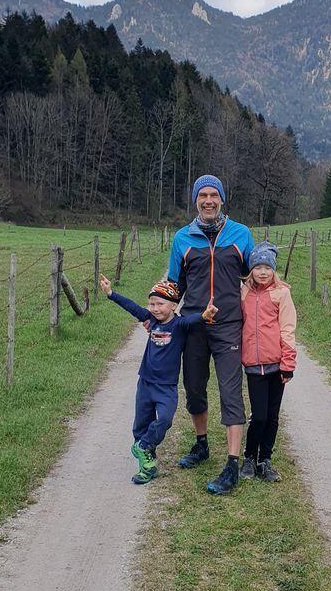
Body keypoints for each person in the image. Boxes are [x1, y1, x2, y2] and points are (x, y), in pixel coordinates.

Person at [166, 174, 254, 495]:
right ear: (195, 200)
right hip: (194, 325)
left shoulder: (241, 234)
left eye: (213, 195)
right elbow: (174, 285)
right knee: (193, 387)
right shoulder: (182, 239)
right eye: (202, 195)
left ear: (221, 199)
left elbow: (254, 276)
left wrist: (275, 298)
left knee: (231, 390)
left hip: (229, 325)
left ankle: (232, 463)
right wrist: (159, 315)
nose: (208, 201)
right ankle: (201, 444)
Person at [99, 275, 208, 485]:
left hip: (166, 387)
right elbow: (132, 307)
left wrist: (205, 315)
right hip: (146, 383)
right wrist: (111, 293)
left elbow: (193, 319)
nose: (155, 308)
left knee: (165, 419)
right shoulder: (150, 320)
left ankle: (144, 445)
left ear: (173, 305)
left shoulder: (179, 325)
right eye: (152, 304)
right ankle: (147, 466)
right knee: (141, 424)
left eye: (160, 304)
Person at [238, 242, 297, 484]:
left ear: (274, 269)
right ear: (251, 269)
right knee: (259, 416)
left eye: (267, 268)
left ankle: (265, 459)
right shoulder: (243, 293)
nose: (263, 272)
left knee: (272, 416)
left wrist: (288, 363)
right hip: (253, 365)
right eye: (258, 267)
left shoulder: (281, 293)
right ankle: (249, 457)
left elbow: (287, 328)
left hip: (277, 365)